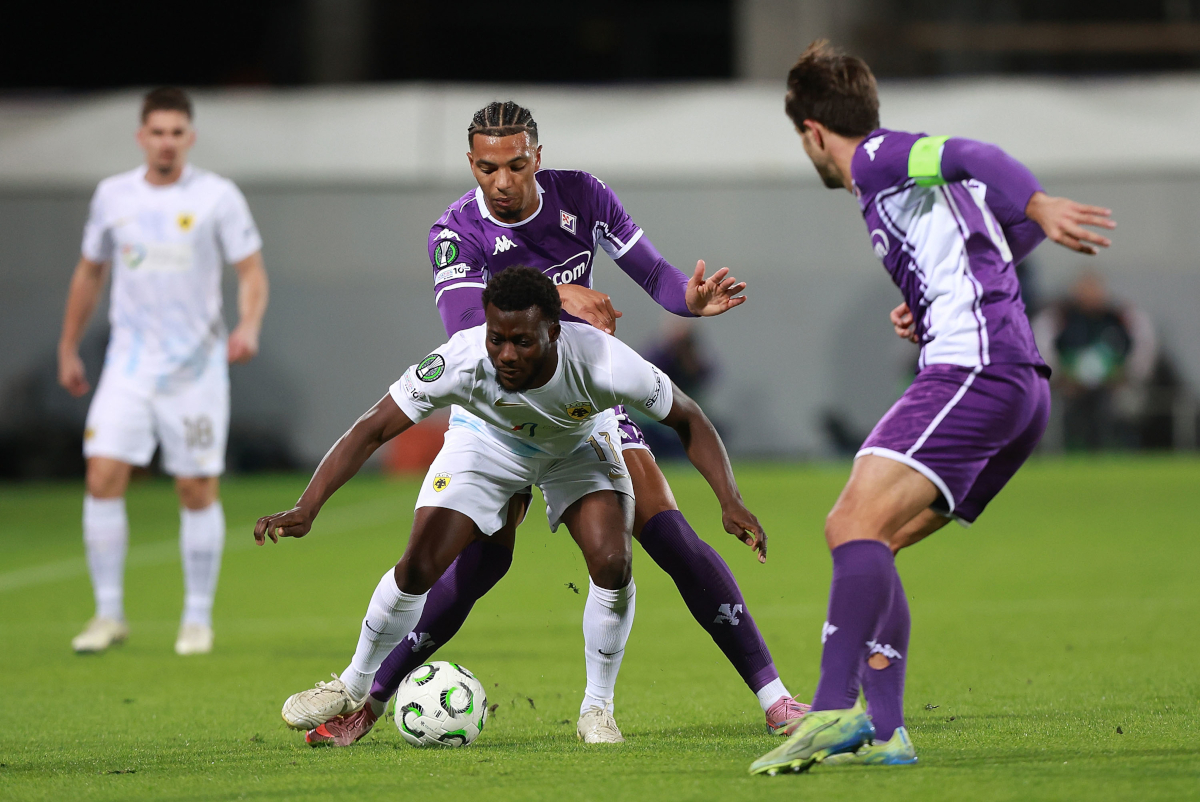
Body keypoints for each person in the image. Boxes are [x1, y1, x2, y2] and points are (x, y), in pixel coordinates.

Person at [282, 101, 808, 740]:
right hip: (495, 417)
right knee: (475, 565)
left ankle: (774, 699)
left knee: (666, 539)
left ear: (538, 156)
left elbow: (656, 276)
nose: (502, 182)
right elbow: (469, 329)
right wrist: (559, 295)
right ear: (470, 164)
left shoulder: (582, 197)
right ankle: (365, 698)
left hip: (577, 402)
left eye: (516, 165)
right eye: (487, 168)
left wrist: (688, 300)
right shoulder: (455, 231)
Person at [749, 41, 1116, 775]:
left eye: (801, 138)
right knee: (874, 542)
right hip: (1018, 384)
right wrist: (930, 299)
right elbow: (1003, 235)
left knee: (849, 523)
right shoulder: (900, 189)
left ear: (814, 132)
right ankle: (887, 733)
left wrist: (1038, 200)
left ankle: (830, 708)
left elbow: (970, 153)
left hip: (977, 371)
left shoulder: (878, 157)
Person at [255, 268, 765, 746]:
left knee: (613, 561)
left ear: (554, 331)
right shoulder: (460, 358)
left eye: (522, 341)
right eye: (496, 338)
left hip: (575, 446)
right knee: (418, 566)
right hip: (488, 444)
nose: (506, 354)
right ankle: (353, 685)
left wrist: (731, 500)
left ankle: (597, 707)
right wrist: (308, 506)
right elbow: (371, 429)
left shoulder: (603, 360)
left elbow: (689, 418)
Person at [57, 87, 269, 656]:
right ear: (141, 137)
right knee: (102, 475)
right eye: (157, 132)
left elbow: (251, 271)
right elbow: (89, 272)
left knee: (195, 487)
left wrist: (248, 325)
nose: (167, 142)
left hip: (195, 368)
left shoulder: (217, 196)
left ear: (189, 137)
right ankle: (108, 614)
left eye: (177, 132)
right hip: (128, 364)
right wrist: (68, 346)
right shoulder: (113, 196)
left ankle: (196, 619)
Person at [1033, 270, 1157, 450]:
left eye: (1094, 289)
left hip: (1116, 386)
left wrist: (1126, 375)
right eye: (1085, 289)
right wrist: (1060, 378)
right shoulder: (1060, 317)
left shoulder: (1120, 318)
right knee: (1050, 405)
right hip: (1067, 388)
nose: (1090, 295)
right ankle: (1062, 449)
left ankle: (1124, 447)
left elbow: (1145, 345)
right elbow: (1040, 348)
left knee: (1127, 404)